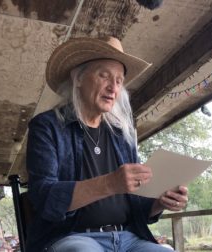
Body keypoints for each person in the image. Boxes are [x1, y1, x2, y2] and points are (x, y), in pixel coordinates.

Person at [26, 36, 189, 252]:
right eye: (104, 76)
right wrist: (110, 183)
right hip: (71, 236)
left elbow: (136, 204)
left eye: (119, 81)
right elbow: (43, 197)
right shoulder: (48, 126)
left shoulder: (122, 135)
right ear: (78, 78)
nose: (113, 88)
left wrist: (160, 202)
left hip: (128, 238)